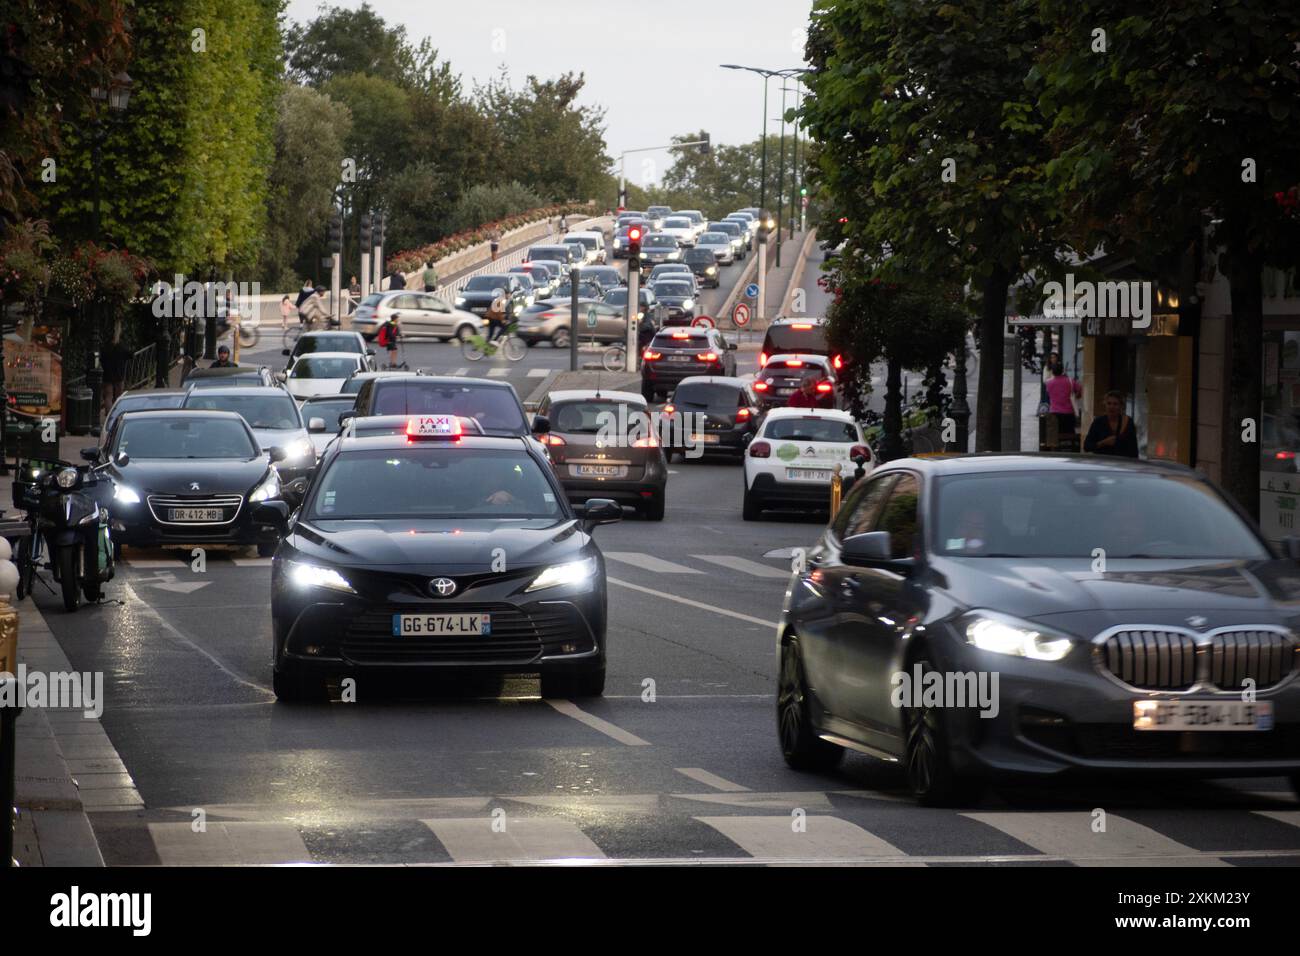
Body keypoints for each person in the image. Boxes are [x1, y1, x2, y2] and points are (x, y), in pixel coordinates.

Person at [1084, 389, 1140, 457]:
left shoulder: (1128, 422)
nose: (1111, 407)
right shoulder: (1098, 422)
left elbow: (1133, 449)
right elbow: (1087, 446)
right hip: (1102, 462)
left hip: (1122, 463)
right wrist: (1103, 443)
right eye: (1109, 403)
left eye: (1115, 404)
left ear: (1121, 406)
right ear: (1105, 405)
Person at [1044, 361, 1082, 446]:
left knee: (1053, 437)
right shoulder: (1070, 381)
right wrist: (1075, 397)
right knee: (1069, 435)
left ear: (1052, 371)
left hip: (1054, 413)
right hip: (1069, 413)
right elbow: (1080, 390)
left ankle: (1055, 451)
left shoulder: (1049, 383)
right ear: (1062, 370)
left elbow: (1048, 394)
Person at [101, 329, 132, 418]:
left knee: (108, 396)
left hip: (107, 374)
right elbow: (130, 354)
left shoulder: (106, 347)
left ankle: (109, 415)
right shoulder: (121, 347)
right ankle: (118, 413)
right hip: (119, 374)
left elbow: (101, 358)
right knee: (119, 396)